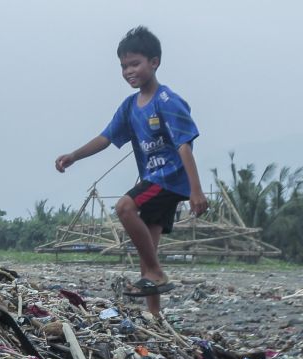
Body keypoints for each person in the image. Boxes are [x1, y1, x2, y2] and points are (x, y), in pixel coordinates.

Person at [55, 26, 208, 314]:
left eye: (134, 64)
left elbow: (184, 145)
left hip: (167, 178)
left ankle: (156, 273)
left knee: (125, 208)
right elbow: (106, 137)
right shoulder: (129, 107)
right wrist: (75, 155)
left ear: (154, 62)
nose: (128, 71)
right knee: (148, 247)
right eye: (123, 66)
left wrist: (196, 191)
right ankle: (154, 315)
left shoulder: (167, 101)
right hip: (155, 179)